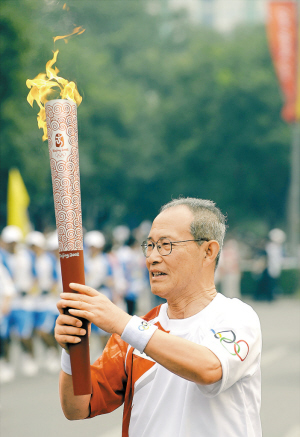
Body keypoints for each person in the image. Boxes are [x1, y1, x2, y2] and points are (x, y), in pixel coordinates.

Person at [55, 197, 262, 437]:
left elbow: (209, 368)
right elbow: (77, 407)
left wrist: (122, 322)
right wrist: (72, 350)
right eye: (150, 245)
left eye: (166, 245)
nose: (152, 257)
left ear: (208, 251)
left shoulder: (236, 317)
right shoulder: (133, 335)